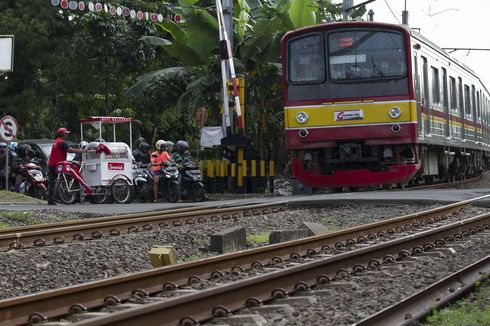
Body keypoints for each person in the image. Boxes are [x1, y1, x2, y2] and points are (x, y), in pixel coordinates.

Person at [47, 127, 87, 205]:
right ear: (62, 134)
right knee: (69, 176)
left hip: (51, 164)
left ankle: (50, 200)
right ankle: (74, 196)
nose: (67, 135)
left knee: (52, 183)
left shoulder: (55, 142)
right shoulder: (61, 142)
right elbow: (70, 150)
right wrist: (82, 151)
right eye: (66, 134)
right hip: (58, 164)